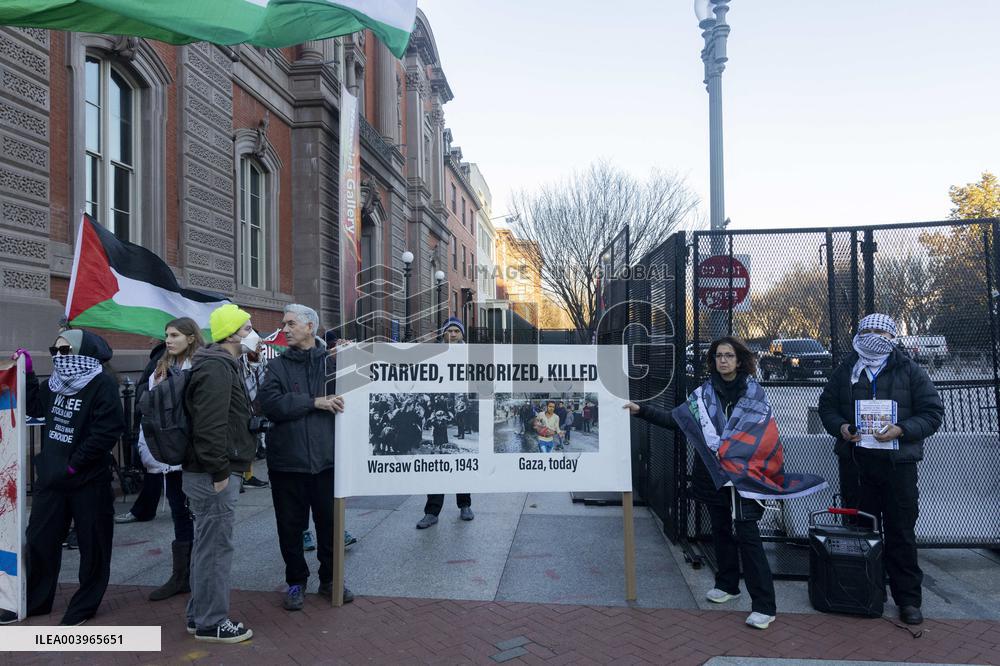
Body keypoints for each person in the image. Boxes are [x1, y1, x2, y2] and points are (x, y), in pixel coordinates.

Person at [624, 337, 783, 630]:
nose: (723, 360)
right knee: (720, 530)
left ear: (739, 360)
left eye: (729, 356)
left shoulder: (754, 394)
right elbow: (678, 420)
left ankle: (764, 606)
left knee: (748, 536)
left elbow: (764, 436)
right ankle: (727, 585)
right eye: (718, 356)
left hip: (744, 477)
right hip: (712, 475)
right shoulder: (703, 394)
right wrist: (641, 410)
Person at [818, 313, 943, 626]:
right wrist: (843, 428)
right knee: (861, 532)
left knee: (901, 532)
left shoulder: (910, 369)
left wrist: (901, 429)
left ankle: (908, 600)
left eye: (881, 332)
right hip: (857, 463)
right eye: (868, 330)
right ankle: (865, 592)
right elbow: (827, 408)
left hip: (898, 466)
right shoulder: (846, 369)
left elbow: (932, 413)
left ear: (892, 337)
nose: (874, 336)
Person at [1, 330, 124, 626]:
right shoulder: (55, 383)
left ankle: (84, 606)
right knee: (41, 541)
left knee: (92, 545)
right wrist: (27, 375)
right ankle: (36, 600)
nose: (58, 357)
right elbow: (35, 409)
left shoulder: (102, 384)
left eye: (64, 350)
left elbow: (107, 430)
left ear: (84, 352)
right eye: (54, 351)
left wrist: (75, 464)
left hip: (88, 481)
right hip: (52, 481)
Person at [257, 304, 354, 609]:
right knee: (290, 527)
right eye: (284, 324)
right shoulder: (277, 366)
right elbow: (270, 404)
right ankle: (296, 583)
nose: (284, 329)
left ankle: (330, 580)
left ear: (310, 326)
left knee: (329, 526)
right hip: (288, 463)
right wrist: (314, 402)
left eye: (290, 324)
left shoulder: (332, 363)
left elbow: (364, 387)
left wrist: (355, 357)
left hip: (327, 462)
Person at [182, 304, 258, 643]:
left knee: (207, 545)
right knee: (215, 548)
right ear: (230, 334)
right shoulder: (217, 368)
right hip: (213, 474)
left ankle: (199, 616)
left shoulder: (221, 364)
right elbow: (210, 426)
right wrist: (219, 471)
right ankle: (213, 622)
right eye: (246, 328)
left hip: (211, 470)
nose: (251, 333)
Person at [118, 319, 201, 602]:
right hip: (166, 450)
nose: (168, 339)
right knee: (179, 510)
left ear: (190, 338)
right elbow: (146, 403)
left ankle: (199, 572)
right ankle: (181, 576)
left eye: (175, 335)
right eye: (166, 334)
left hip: (192, 453)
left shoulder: (200, 365)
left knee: (196, 513)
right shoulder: (160, 365)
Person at [417, 317, 474, 529]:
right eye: (449, 331)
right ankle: (432, 511)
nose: (452, 334)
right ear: (443, 334)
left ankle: (465, 504)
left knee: (461, 461)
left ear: (462, 335)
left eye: (456, 331)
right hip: (439, 414)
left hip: (459, 413)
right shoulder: (433, 355)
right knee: (438, 459)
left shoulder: (470, 356)